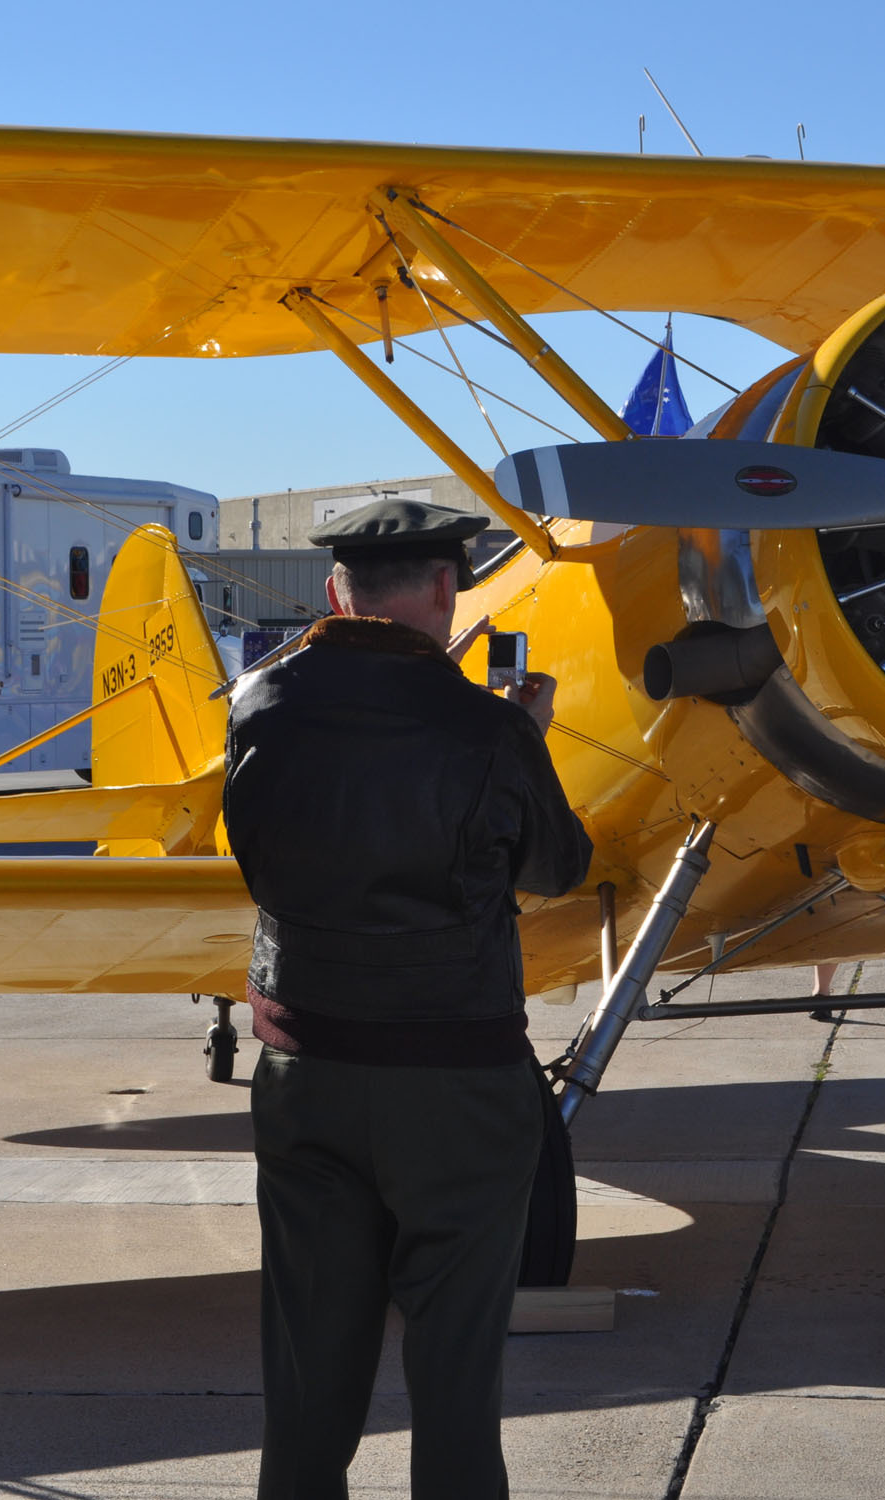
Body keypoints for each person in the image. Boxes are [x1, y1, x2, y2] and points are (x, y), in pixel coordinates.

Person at [225, 498, 593, 1498]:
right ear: (445, 589)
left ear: (338, 591)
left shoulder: (257, 704)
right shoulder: (485, 727)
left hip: (307, 1070)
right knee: (455, 1382)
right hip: (455, 1087)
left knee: (306, 1380)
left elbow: (258, 858)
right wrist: (526, 738)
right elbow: (561, 866)